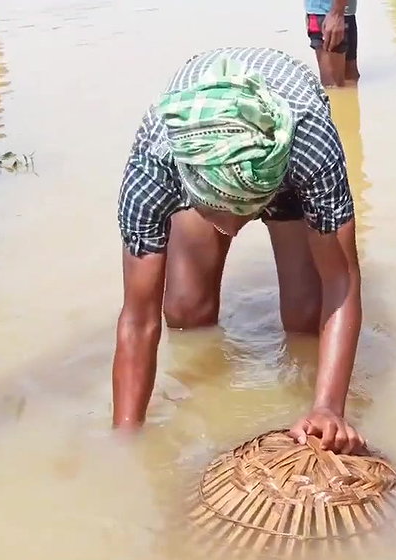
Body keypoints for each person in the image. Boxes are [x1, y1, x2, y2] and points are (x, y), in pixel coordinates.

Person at [112, 47, 366, 454]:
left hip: (278, 164)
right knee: (184, 312)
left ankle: (255, 198)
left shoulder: (309, 143)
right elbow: (138, 320)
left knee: (304, 317)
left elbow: (342, 280)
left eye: (246, 211)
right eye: (222, 212)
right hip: (206, 165)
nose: (234, 229)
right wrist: (126, 438)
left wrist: (328, 409)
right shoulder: (154, 166)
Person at [306, 0, 359, 87]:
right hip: (343, 11)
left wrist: (336, 13)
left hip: (327, 13)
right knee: (349, 82)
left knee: (333, 88)